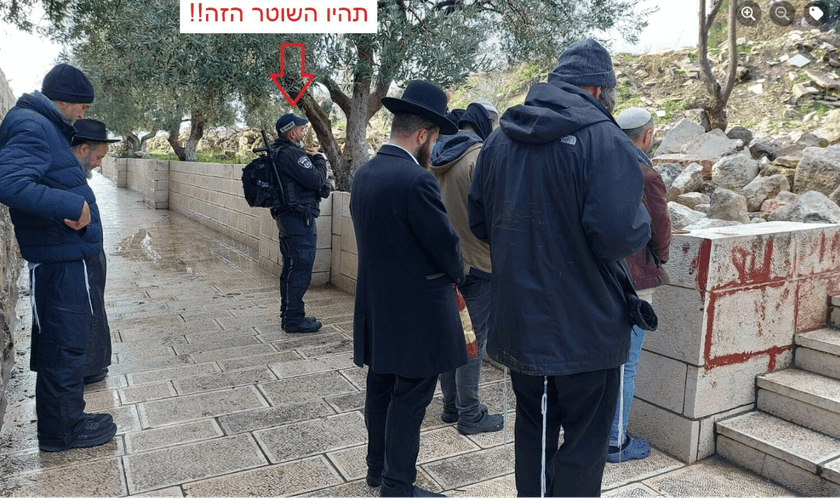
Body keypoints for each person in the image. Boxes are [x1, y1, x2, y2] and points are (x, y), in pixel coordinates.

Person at [468, 39, 651, 498]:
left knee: (532, 432)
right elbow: (618, 237)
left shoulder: (498, 140)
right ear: (597, 89)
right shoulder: (606, 141)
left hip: (520, 325)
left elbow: (479, 222)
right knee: (585, 447)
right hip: (587, 330)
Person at [351, 80, 467, 499]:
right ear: (422, 136)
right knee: (410, 400)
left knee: (380, 388)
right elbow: (446, 249)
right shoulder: (415, 182)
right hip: (416, 314)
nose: (433, 149)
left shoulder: (363, 174)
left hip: (377, 306)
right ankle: (398, 487)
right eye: (434, 140)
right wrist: (460, 270)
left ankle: (376, 470)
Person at [0, 63, 117, 452]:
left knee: (65, 341)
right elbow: (10, 183)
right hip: (60, 259)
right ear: (65, 101)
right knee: (64, 344)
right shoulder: (33, 125)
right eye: (82, 108)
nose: (83, 116)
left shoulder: (41, 124)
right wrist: (71, 204)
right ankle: (63, 431)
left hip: (62, 253)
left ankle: (66, 421)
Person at [430, 102, 502, 435]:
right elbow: (492, 218)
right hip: (479, 265)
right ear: (486, 123)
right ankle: (470, 413)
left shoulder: (437, 156)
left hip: (446, 263)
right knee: (473, 342)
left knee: (448, 337)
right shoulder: (479, 160)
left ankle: (449, 406)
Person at [608, 107, 671, 463]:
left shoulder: (606, 163)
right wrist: (659, 258)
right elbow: (660, 229)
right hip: (635, 279)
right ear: (647, 135)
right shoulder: (646, 173)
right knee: (626, 365)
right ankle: (615, 441)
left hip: (604, 274)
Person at [270, 113, 330, 334]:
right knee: (301, 269)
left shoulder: (278, 152)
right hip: (299, 219)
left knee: (290, 267)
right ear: (292, 132)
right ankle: (294, 319)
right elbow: (316, 179)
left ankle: (289, 313)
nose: (305, 133)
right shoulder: (292, 154)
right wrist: (319, 158)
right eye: (303, 130)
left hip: (287, 218)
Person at [71, 119, 120, 385]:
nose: (99, 163)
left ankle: (95, 364)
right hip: (81, 258)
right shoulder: (66, 175)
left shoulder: (73, 173)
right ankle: (90, 367)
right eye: (98, 157)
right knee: (88, 310)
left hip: (89, 254)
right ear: (83, 149)